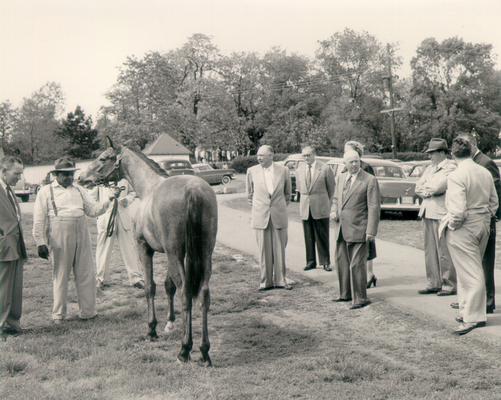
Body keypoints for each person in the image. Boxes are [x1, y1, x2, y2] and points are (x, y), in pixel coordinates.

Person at [33, 157, 115, 324]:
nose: (69, 178)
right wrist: (40, 242)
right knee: (61, 274)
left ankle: (88, 312)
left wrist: (109, 199)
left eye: (71, 174)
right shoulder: (46, 191)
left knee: (86, 272)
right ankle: (58, 315)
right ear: (56, 174)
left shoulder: (78, 190)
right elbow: (39, 220)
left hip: (81, 229)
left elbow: (93, 210)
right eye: (65, 174)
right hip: (59, 232)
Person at [442, 137, 498, 335]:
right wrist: (485, 216)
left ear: (453, 154)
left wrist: (453, 224)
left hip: (464, 226)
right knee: (472, 269)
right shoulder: (484, 171)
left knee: (470, 272)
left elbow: (457, 211)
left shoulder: (456, 175)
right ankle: (469, 310)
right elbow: (494, 202)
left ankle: (473, 317)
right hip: (483, 223)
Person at [455, 132, 501, 314]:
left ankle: (488, 301)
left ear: (472, 144)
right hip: (474, 220)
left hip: (484, 219)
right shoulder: (472, 162)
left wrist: (491, 215)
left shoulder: (485, 162)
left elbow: (496, 192)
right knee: (474, 263)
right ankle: (473, 300)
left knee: (485, 262)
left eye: (464, 146)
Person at [331, 150, 380, 309]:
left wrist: (371, 231)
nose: (354, 164)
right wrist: (334, 211)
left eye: (356, 161)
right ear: (344, 163)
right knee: (341, 262)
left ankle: (360, 298)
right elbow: (337, 199)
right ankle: (345, 294)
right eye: (350, 162)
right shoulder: (340, 178)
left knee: (356, 265)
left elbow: (374, 207)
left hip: (360, 228)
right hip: (341, 228)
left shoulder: (369, 180)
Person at [246, 145, 292, 291]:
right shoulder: (251, 171)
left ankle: (281, 280)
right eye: (258, 155)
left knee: (280, 249)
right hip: (261, 216)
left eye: (262, 155)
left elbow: (288, 194)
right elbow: (249, 195)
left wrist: (278, 207)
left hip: (279, 215)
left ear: (271, 155)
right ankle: (265, 282)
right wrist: (260, 207)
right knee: (264, 251)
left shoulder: (283, 171)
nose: (259, 158)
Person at [415, 138, 457, 296]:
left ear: (441, 153)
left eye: (432, 153)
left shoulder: (451, 166)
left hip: (441, 212)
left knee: (443, 250)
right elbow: (417, 186)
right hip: (427, 211)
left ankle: (449, 284)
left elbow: (439, 186)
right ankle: (433, 282)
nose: (430, 156)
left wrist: (428, 189)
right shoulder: (430, 168)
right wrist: (428, 189)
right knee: (430, 250)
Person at [91, 179, 144, 290]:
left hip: (123, 216)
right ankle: (101, 279)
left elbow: (133, 192)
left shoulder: (124, 178)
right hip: (106, 218)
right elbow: (92, 199)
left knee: (130, 248)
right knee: (103, 250)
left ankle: (136, 278)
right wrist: (107, 200)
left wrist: (127, 200)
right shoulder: (100, 179)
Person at [344, 140, 378, 288]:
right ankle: (365, 276)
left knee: (368, 248)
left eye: (348, 151)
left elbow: (371, 195)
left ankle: (369, 274)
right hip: (351, 220)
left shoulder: (365, 169)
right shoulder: (347, 169)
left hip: (363, 218)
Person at [296, 146, 335, 272]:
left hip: (321, 207)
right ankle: (310, 261)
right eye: (304, 156)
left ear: (314, 155)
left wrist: (327, 205)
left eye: (308, 155)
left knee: (322, 236)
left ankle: (325, 262)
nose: (306, 158)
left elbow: (331, 189)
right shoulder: (299, 169)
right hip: (305, 208)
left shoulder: (325, 168)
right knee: (308, 236)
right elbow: (300, 188)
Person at [0, 156, 27, 336]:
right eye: (16, 173)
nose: (19, 177)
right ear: (3, 172)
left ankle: (12, 322)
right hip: (3, 246)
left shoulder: (8, 190)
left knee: (14, 287)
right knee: (2, 287)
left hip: (15, 245)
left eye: (21, 173)